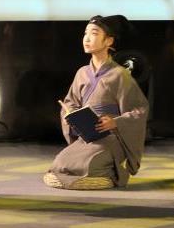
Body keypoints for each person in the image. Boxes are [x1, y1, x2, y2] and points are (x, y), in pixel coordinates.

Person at [44, 14, 148, 189]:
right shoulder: (82, 73)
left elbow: (139, 110)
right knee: (59, 163)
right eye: (85, 33)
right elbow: (71, 102)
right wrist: (70, 114)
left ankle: (112, 172)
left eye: (94, 33)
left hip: (111, 137)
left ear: (108, 41)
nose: (87, 38)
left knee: (90, 164)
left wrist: (115, 122)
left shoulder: (120, 74)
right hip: (88, 136)